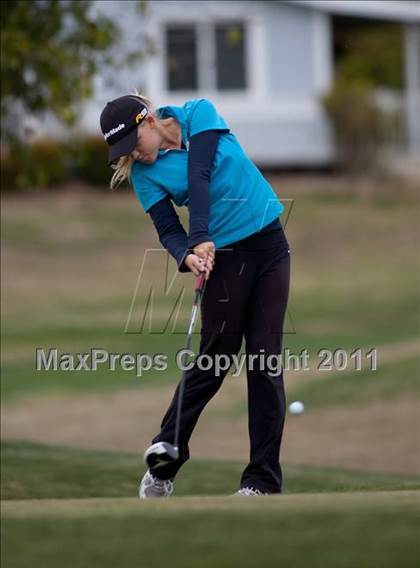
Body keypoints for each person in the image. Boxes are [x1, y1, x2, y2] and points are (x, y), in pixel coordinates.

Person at [100, 93, 291, 497]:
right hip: (225, 257)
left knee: (264, 363)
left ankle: (262, 482)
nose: (133, 154)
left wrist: (200, 235)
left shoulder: (199, 114)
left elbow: (201, 172)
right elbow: (168, 229)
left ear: (148, 120)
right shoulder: (143, 175)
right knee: (213, 360)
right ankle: (164, 465)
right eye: (123, 151)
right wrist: (187, 254)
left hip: (270, 244)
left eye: (133, 142)